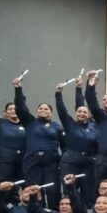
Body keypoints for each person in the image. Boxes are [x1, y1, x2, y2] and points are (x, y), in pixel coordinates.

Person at [14, 76, 64, 205]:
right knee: (34, 191)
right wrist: (18, 89)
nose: (43, 110)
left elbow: (64, 145)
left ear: (51, 113)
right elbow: (20, 107)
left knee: (53, 191)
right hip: (32, 161)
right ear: (37, 111)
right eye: (40, 108)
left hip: (51, 162)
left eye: (46, 109)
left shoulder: (57, 127)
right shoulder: (30, 122)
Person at [55, 80, 98, 208]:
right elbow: (62, 110)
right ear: (75, 113)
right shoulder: (70, 124)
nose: (82, 113)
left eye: (85, 112)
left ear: (88, 114)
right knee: (70, 191)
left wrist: (79, 88)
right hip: (70, 161)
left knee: (89, 193)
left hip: (88, 163)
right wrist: (58, 94)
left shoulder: (93, 126)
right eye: (79, 111)